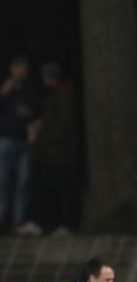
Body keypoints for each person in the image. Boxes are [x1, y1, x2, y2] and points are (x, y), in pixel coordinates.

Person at [24, 62, 80, 236]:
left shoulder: (64, 95)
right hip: (50, 150)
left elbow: (63, 125)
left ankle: (67, 224)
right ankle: (40, 222)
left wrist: (40, 132)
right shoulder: (55, 94)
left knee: (63, 188)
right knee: (44, 186)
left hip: (59, 151)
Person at [0, 56, 41, 231]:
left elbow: (35, 111)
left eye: (23, 68)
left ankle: (18, 220)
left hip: (24, 141)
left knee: (23, 182)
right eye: (17, 67)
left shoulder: (30, 90)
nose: (20, 71)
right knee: (0, 181)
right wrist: (3, 93)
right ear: (11, 70)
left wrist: (29, 114)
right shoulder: (4, 88)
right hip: (5, 139)